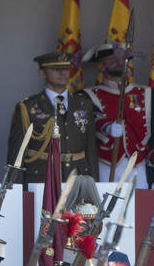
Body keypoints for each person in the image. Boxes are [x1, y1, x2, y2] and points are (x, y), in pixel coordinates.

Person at [82, 42, 154, 188]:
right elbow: (90, 121)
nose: (118, 61)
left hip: (139, 165)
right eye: (112, 58)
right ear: (100, 66)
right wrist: (107, 128)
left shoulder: (146, 93)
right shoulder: (88, 95)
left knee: (139, 208)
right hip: (106, 164)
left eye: (122, 58)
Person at [8, 51, 98, 184]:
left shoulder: (84, 104)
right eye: (56, 69)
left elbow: (91, 150)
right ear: (42, 73)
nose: (63, 73)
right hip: (42, 179)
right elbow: (17, 154)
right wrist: (16, 190)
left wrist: (94, 183)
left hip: (78, 177)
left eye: (66, 69)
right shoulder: (27, 107)